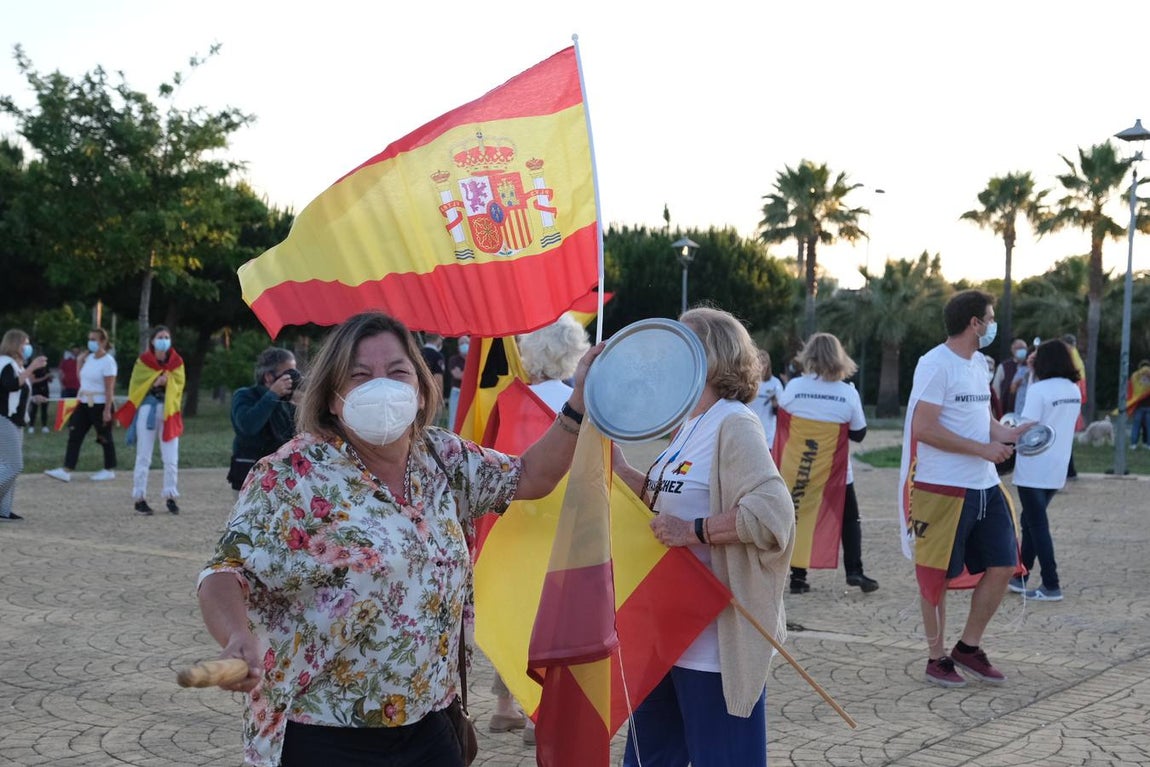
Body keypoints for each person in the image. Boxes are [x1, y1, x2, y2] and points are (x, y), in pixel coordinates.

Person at [196, 311, 601, 766]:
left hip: (431, 722)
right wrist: (236, 635)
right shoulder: (292, 475)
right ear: (333, 398)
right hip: (322, 730)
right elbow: (224, 571)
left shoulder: (442, 457)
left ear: (421, 388)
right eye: (360, 375)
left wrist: (579, 403)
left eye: (397, 371)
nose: (381, 386)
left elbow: (530, 476)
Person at [612, 306, 795, 767]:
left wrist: (695, 532)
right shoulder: (690, 424)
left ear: (710, 357)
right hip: (666, 635)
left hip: (715, 646)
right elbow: (668, 500)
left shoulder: (734, 422)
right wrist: (620, 471)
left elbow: (774, 513)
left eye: (681, 345)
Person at [899, 290, 1032, 688]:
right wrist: (983, 449)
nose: (993, 326)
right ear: (975, 323)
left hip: (985, 485)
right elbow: (924, 428)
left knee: (1004, 565)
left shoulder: (977, 364)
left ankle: (968, 647)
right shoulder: (934, 364)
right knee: (936, 576)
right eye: (989, 319)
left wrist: (1007, 433)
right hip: (943, 488)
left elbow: (980, 418)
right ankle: (936, 657)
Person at [486, 314, 590, 744]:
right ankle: (538, 714)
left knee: (514, 610)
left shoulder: (510, 400)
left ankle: (503, 706)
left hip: (512, 518)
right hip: (561, 522)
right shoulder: (580, 405)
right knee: (551, 616)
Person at [778, 333, 876, 594]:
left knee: (799, 517)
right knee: (849, 519)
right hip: (835, 473)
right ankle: (854, 571)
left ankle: (798, 578)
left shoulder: (795, 387)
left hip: (800, 467)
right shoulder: (847, 393)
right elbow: (859, 433)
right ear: (840, 357)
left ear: (808, 355)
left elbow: (783, 420)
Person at [1008, 339, 1082, 602]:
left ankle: (1051, 583)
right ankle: (1021, 575)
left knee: (1036, 524)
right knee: (1030, 520)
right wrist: (1032, 374)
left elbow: (1026, 425)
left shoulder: (1039, 390)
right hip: (1057, 466)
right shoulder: (1073, 389)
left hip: (1033, 465)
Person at [115, 326, 186, 515]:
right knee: (143, 456)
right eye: (160, 337)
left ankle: (171, 496)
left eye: (167, 337)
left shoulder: (177, 362)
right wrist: (154, 383)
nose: (164, 340)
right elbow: (136, 388)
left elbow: (179, 386)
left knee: (171, 457)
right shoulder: (143, 362)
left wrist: (168, 382)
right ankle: (139, 498)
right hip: (148, 410)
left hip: (169, 411)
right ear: (153, 341)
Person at [44, 328, 118, 483]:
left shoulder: (108, 361)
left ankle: (109, 469)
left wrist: (107, 410)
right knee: (75, 434)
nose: (91, 342)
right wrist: (79, 361)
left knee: (104, 436)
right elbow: (82, 379)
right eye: (89, 339)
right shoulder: (89, 358)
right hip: (84, 402)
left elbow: (109, 387)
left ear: (103, 341)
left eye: (94, 339)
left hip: (99, 403)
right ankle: (67, 469)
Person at [227, 348, 300, 493]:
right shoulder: (245, 395)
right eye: (288, 374)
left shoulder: (286, 402)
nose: (292, 379)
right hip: (248, 476)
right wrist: (272, 395)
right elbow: (248, 426)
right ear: (268, 377)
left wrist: (302, 407)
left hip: (280, 477)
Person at [1, 330, 49, 520]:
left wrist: (33, 398)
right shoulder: (5, 363)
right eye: (25, 343)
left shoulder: (15, 365)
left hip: (15, 420)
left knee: (6, 465)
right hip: (4, 419)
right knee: (14, 465)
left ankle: (3, 510)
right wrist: (32, 368)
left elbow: (15, 392)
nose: (27, 348)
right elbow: (10, 385)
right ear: (14, 344)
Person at [753, 349, 785, 450]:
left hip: (768, 435)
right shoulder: (749, 381)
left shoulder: (775, 383)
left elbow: (780, 412)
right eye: (759, 362)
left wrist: (774, 403)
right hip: (751, 430)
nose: (761, 365)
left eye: (764, 362)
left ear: (768, 364)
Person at [991, 339, 1027, 415]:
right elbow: (996, 390)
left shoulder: (1030, 366)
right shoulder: (1004, 367)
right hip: (1007, 409)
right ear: (1012, 350)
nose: (1022, 350)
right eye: (1019, 348)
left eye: (1024, 348)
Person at [446, 335, 469, 431]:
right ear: (458, 347)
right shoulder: (454, 359)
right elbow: (457, 375)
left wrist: (463, 373)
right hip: (457, 392)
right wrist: (469, 374)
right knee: (454, 418)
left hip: (469, 392)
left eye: (466, 342)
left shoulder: (474, 359)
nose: (464, 345)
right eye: (461, 343)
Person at [26, 350, 52, 434]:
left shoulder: (46, 367)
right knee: (34, 409)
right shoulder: (33, 368)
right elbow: (32, 381)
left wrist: (49, 378)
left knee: (44, 409)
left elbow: (48, 378)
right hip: (36, 389)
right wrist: (45, 377)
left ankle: (44, 426)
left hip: (45, 389)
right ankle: (31, 426)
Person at [1129, 359, 1150, 449]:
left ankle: (1133, 443)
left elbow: (1132, 390)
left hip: (1139, 406)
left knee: (1136, 426)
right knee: (1148, 426)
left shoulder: (1136, 378)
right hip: (1148, 407)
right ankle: (1148, 444)